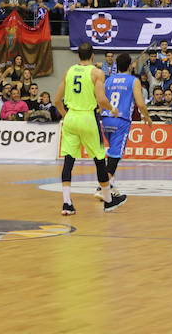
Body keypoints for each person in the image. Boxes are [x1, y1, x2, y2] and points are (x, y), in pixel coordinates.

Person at [55, 42, 126, 215]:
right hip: (87, 117)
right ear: (92, 55)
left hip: (71, 117)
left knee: (68, 160)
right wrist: (113, 109)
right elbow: (101, 100)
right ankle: (109, 201)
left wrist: (67, 116)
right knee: (99, 160)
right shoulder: (96, 72)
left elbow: (57, 101)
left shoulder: (69, 71)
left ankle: (66, 204)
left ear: (78, 55)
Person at [98, 53, 151, 197]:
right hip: (121, 120)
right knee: (115, 155)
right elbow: (140, 103)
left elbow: (101, 100)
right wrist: (147, 117)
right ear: (130, 66)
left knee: (111, 153)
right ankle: (102, 188)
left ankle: (111, 184)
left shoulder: (108, 81)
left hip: (106, 119)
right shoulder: (133, 81)